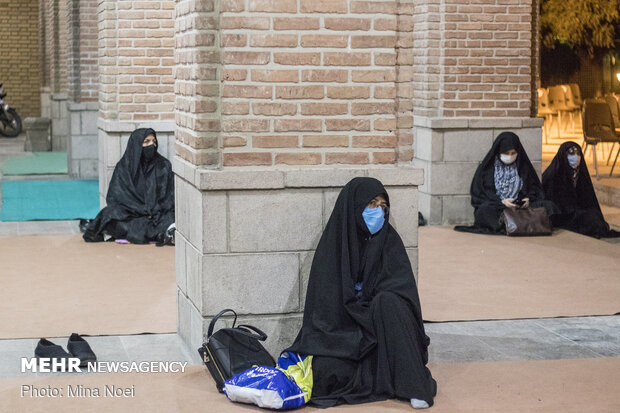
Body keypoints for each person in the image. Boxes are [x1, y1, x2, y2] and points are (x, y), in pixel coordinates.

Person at [285, 177, 436, 409]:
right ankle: (389, 377)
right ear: (354, 207)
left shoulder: (389, 242)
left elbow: (403, 295)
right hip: (344, 332)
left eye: (382, 206)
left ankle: (413, 387)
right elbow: (324, 310)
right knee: (325, 373)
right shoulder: (333, 246)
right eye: (371, 205)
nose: (378, 212)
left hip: (381, 329)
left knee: (388, 301)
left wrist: (371, 308)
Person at [83, 128, 175, 245]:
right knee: (108, 214)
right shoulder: (124, 167)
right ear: (136, 145)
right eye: (146, 142)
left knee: (171, 217)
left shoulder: (163, 165)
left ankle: (164, 232)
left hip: (157, 215)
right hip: (132, 215)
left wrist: (154, 210)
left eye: (153, 141)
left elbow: (169, 197)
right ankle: (161, 234)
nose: (151, 145)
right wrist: (139, 209)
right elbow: (115, 198)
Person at [455, 131, 555, 234]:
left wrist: (527, 199)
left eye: (513, 153)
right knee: (484, 211)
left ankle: (512, 224)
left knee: (548, 206)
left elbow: (535, 190)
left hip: (521, 208)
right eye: (506, 153)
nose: (509, 156)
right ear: (498, 152)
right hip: (498, 206)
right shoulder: (487, 169)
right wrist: (502, 202)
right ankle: (522, 224)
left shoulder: (523, 166)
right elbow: (479, 195)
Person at [542, 141, 620, 238]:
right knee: (591, 220)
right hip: (562, 213)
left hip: (575, 209)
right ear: (563, 155)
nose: (576, 157)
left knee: (595, 216)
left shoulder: (579, 173)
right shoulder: (554, 174)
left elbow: (587, 196)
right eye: (571, 153)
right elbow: (554, 200)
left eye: (578, 153)